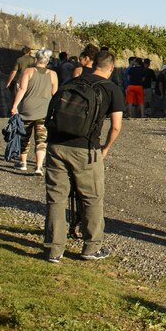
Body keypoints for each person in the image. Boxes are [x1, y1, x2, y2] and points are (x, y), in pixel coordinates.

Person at [43, 49, 124, 263]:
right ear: (111, 67)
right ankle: (91, 248)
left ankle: (53, 250)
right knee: (91, 197)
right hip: (86, 149)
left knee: (56, 198)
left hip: (56, 145)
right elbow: (116, 127)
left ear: (92, 63)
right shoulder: (111, 89)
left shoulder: (71, 82)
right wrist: (105, 148)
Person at [9, 48, 59, 174]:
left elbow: (22, 89)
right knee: (41, 139)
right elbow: (55, 94)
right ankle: (38, 166)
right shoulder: (53, 74)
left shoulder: (29, 71)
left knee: (24, 137)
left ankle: (23, 163)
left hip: (27, 110)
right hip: (44, 111)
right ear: (47, 61)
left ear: (36, 59)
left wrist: (14, 106)